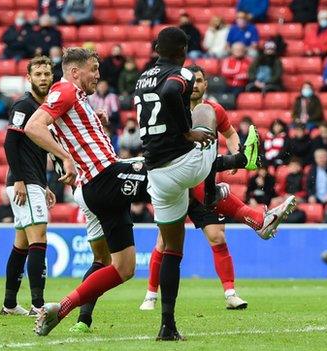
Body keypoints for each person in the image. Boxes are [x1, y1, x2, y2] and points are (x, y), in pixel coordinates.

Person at [129, 29, 292, 340]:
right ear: (183, 51)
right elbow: (171, 94)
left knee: (180, 244)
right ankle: (244, 166)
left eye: (199, 81)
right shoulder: (182, 80)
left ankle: (169, 324)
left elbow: (164, 100)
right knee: (207, 119)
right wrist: (190, 134)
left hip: (159, 173)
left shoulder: (143, 77)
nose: (195, 83)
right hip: (184, 166)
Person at [25, 48, 146, 337]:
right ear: (75, 72)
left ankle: (63, 308)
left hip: (102, 184)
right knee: (170, 170)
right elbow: (33, 126)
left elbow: (70, 130)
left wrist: (96, 121)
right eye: (94, 69)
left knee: (124, 266)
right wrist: (64, 157)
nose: (98, 75)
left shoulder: (78, 99)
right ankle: (251, 212)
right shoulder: (65, 90)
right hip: (105, 178)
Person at [0, 57, 56, 317]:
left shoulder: (41, 107)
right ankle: (38, 305)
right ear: (29, 77)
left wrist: (42, 185)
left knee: (21, 244)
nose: (43, 78)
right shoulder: (24, 104)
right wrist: (21, 179)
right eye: (38, 74)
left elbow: (33, 150)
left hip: (33, 182)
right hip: (23, 182)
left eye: (47, 73)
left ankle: (10, 304)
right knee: (39, 239)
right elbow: (10, 143)